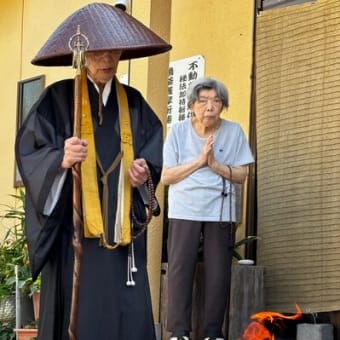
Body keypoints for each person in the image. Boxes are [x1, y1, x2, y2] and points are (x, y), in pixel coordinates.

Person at [15, 48, 163, 339]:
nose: (106, 60)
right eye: (98, 53)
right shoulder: (58, 99)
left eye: (113, 53)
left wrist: (144, 173)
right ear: (83, 55)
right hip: (74, 234)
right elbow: (29, 151)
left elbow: (152, 154)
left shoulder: (133, 104)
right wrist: (60, 158)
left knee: (126, 313)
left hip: (121, 236)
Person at [161, 77, 254, 340]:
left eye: (216, 101)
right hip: (184, 208)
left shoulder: (234, 131)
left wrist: (215, 165)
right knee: (180, 268)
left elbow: (242, 175)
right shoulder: (178, 131)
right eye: (203, 101)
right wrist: (200, 161)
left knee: (218, 271)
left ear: (223, 106)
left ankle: (214, 332)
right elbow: (166, 176)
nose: (209, 106)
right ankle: (179, 332)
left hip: (220, 210)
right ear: (191, 105)